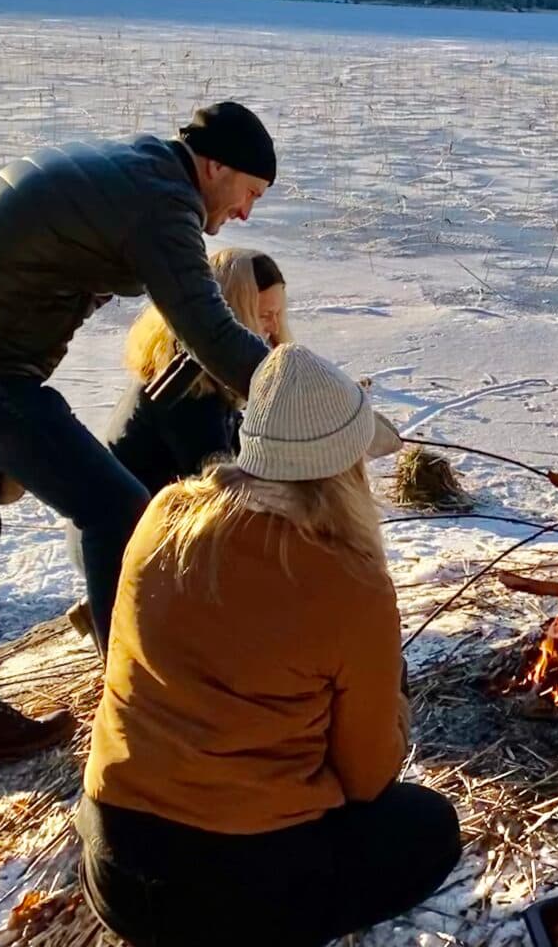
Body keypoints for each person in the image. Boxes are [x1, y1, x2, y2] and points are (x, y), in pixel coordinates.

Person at [0, 101, 277, 772]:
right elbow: (211, 333)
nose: (245, 213)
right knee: (116, 509)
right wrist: (294, 389)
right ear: (214, 167)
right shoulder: (161, 202)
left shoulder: (137, 172)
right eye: (250, 193)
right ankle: (137, 707)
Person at [77, 344, 461, 947]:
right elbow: (366, 780)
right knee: (429, 827)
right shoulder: (347, 581)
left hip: (114, 865)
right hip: (233, 892)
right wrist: (394, 705)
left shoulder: (166, 514)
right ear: (348, 471)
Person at [107, 248, 290, 496]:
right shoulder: (188, 392)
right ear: (231, 317)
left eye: (279, 314)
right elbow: (224, 490)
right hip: (132, 518)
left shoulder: (199, 374)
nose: (275, 327)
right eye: (265, 315)